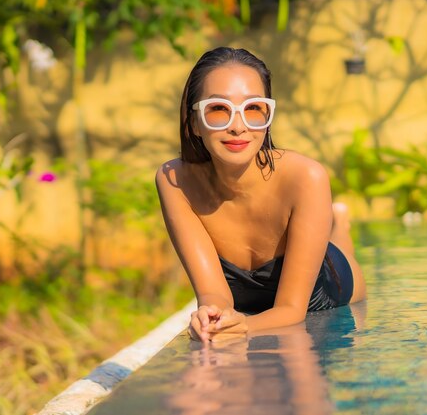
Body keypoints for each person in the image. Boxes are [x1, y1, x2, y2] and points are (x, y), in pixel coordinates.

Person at [155, 47, 366, 342]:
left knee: (340, 246)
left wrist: (243, 328)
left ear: (268, 117)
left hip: (328, 288)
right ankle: (335, 223)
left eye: (253, 108)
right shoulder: (175, 182)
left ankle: (339, 225)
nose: (238, 126)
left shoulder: (306, 176)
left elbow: (292, 310)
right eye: (218, 109)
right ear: (194, 123)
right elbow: (213, 293)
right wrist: (212, 317)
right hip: (255, 309)